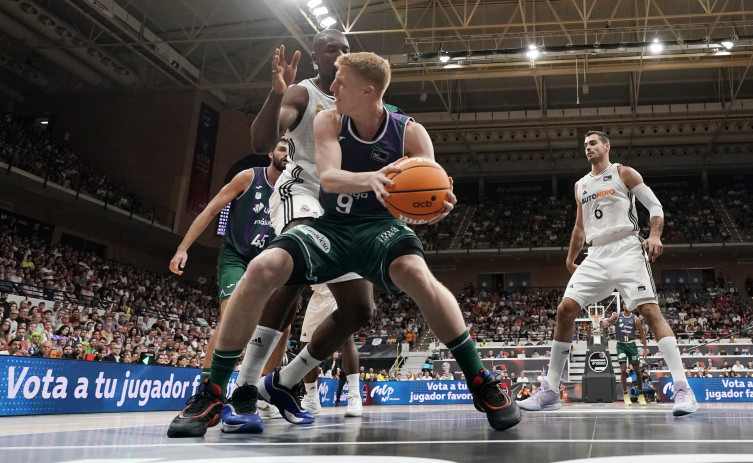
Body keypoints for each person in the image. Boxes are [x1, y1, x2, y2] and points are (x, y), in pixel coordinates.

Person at [176, 51, 521, 438]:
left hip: (379, 228)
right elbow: (329, 177)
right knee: (263, 268)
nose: (333, 87)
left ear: (367, 89)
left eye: (341, 82)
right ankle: (215, 391)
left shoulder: (411, 132)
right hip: (332, 226)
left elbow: (432, 187)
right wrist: (374, 179)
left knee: (416, 275)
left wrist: (438, 205)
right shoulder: (329, 120)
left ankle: (480, 381)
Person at [214, 29, 362, 427]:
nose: (342, 54)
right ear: (316, 56)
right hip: (302, 190)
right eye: (333, 49)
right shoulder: (302, 92)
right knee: (296, 267)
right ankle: (244, 387)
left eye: (347, 50)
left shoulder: (359, 101)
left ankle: (283, 382)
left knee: (359, 309)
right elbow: (263, 138)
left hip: (340, 204)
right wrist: (276, 92)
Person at [518, 130, 698, 416]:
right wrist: (570, 257)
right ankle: (550, 390)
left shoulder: (624, 173)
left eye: (593, 143)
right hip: (597, 253)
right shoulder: (581, 185)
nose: (588, 147)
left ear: (606, 146)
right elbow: (580, 227)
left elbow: (654, 206)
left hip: (627, 248)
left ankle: (683, 389)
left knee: (651, 312)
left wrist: (655, 235)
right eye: (585, 144)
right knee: (566, 308)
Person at [166, 139, 288, 437]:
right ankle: (209, 389)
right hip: (237, 256)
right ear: (271, 153)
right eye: (283, 148)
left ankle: (264, 390)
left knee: (282, 323)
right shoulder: (248, 177)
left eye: (292, 149)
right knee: (231, 313)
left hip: (271, 260)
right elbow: (209, 211)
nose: (288, 154)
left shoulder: (297, 188)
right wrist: (183, 248)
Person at [603, 303, 648, 405]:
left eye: (629, 304)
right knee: (623, 369)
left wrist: (645, 349)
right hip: (621, 345)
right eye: (625, 304)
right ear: (623, 306)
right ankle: (625, 394)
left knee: (637, 370)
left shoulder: (636, 319)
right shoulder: (617, 315)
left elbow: (642, 334)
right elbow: (607, 321)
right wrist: (604, 323)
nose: (626, 305)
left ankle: (641, 395)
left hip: (631, 345)